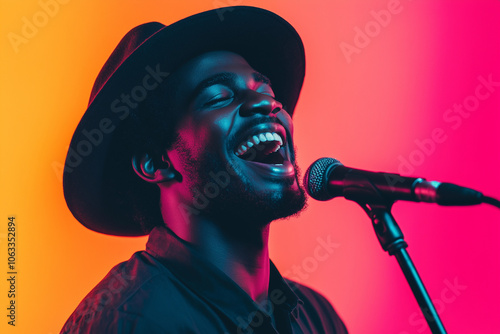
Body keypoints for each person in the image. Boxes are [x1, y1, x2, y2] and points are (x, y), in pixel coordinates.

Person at [61, 6, 348, 333]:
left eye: (265, 90)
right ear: (155, 163)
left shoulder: (319, 318)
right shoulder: (130, 320)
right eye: (218, 97)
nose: (267, 103)